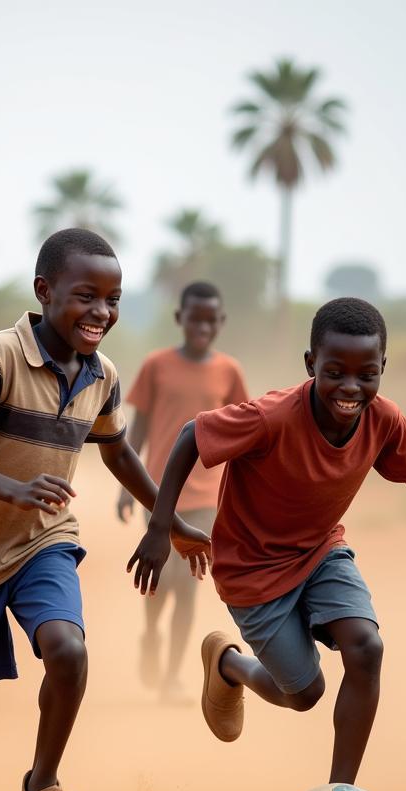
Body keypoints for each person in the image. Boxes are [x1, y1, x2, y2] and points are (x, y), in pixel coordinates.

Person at [128, 297, 406, 784]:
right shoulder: (273, 417)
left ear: (382, 368)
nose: (351, 387)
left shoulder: (383, 419)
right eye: (335, 372)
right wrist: (162, 528)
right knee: (304, 695)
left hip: (322, 552)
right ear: (311, 364)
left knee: (366, 649)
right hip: (251, 570)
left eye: (366, 373)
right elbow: (191, 436)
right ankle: (229, 666)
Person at [0, 228, 211, 791]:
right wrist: (13, 490)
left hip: (42, 541)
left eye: (113, 298)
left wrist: (170, 521)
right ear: (44, 292)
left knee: (68, 651)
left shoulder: (101, 375)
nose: (101, 311)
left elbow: (118, 450)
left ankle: (42, 787)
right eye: (86, 295)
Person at [116, 281, 248, 702]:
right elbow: (137, 426)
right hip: (157, 494)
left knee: (188, 585)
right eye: (195, 318)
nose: (202, 326)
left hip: (208, 499)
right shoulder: (156, 365)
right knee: (161, 580)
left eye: (211, 320)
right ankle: (151, 633)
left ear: (221, 322)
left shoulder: (229, 372)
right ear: (180, 318)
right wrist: (125, 487)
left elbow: (245, 432)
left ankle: (172, 676)